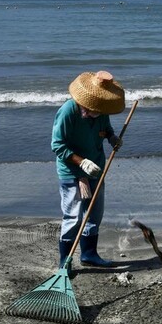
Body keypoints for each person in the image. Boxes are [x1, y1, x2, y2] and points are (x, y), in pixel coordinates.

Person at [51, 70, 125, 269]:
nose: (96, 112)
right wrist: (81, 162)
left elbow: (106, 129)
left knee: (94, 214)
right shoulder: (68, 111)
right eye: (93, 108)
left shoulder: (101, 111)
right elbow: (57, 145)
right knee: (73, 216)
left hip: (96, 169)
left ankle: (89, 254)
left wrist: (112, 138)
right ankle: (64, 263)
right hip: (72, 172)